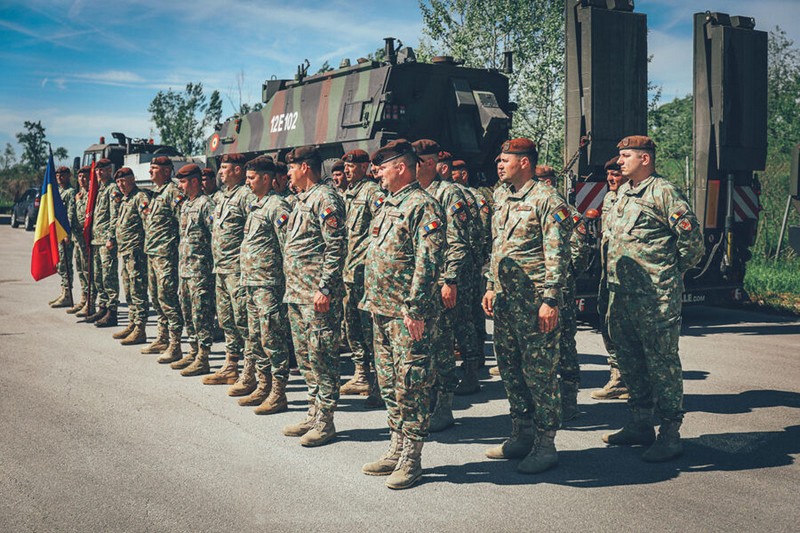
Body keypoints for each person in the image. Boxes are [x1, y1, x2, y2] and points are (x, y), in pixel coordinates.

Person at [602, 135, 704, 462]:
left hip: (655, 297)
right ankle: (640, 423)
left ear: (645, 159)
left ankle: (670, 434)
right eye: (619, 156)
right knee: (631, 360)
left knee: (662, 363)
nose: (620, 161)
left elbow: (692, 241)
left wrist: (673, 273)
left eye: (626, 155)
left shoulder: (663, 192)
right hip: (622, 295)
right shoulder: (623, 195)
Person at [482, 138, 572, 474]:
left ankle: (546, 444)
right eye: (499, 159)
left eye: (505, 160)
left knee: (540, 373)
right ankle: (521, 434)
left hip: (535, 303)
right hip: (506, 301)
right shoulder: (502, 196)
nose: (499, 164)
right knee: (510, 369)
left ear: (524, 162)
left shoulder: (547, 199)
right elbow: (498, 245)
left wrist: (551, 298)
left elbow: (557, 253)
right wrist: (491, 284)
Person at [359, 139, 444, 490]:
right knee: (390, 382)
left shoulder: (423, 205)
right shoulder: (387, 203)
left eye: (384, 165)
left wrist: (416, 307)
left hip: (407, 313)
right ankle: (396, 447)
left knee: (413, 383)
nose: (377, 172)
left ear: (403, 167)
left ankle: (412, 456)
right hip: (382, 309)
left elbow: (427, 261)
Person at [281, 145, 347, 447]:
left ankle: (326, 421)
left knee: (323, 357)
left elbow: (335, 247)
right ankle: (313, 411)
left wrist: (326, 288)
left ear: (305, 167)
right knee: (306, 358)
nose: (288, 173)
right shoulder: (301, 200)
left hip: (316, 295)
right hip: (296, 293)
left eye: (291, 167)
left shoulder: (325, 198)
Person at [412, 139, 473, 431]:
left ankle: (444, 406)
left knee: (442, 344)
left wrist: (450, 280)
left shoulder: (448, 194)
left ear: (427, 163)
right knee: (421, 345)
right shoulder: (413, 194)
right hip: (418, 284)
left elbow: (458, 242)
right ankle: (428, 400)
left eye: (417, 160)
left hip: (439, 283)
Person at [229, 156, 294, 414]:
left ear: (266, 178)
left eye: (252, 177)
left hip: (268, 284)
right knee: (256, 337)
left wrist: (286, 284)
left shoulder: (277, 206)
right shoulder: (256, 206)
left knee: (272, 337)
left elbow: (286, 248)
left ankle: (278, 392)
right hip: (252, 283)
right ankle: (263, 385)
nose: (247, 181)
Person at [534, 165, 590, 421]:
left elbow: (579, 250)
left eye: (544, 181)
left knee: (565, 344)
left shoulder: (567, 212)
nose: (540, 185)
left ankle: (569, 400)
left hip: (561, 289)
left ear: (552, 182)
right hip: (539, 289)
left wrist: (567, 276)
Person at [339, 149, 385, 406]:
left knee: (370, 330)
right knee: (352, 328)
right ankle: (361, 374)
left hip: (364, 272)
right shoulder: (347, 194)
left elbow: (379, 231)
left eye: (353, 165)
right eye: (346, 165)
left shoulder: (372, 193)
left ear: (365, 166)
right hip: (348, 272)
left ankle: (379, 383)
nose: (347, 169)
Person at [207, 153, 255, 385]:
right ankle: (230, 365)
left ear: (238, 170)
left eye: (225, 167)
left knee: (243, 321)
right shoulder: (222, 197)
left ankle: (250, 369)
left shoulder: (246, 196)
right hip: (221, 269)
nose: (221, 171)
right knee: (226, 319)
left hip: (238, 270)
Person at [592, 157, 630, 400]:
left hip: (631, 280)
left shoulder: (637, 198)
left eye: (615, 175)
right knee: (609, 327)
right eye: (609, 176)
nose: (611, 179)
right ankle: (619, 379)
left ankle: (637, 384)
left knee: (631, 333)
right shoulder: (609, 199)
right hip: (609, 276)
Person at [173, 164, 216, 377]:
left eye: (183, 181)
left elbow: (214, 237)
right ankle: (193, 350)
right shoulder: (185, 205)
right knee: (187, 312)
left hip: (200, 270)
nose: (180, 185)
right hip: (185, 269)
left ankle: (204, 356)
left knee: (201, 315)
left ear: (195, 181)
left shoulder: (206, 205)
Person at [141, 156, 184, 363]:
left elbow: (182, 224)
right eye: (150, 168)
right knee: (156, 298)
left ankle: (175, 345)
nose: (150, 172)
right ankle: (162, 337)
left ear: (167, 171)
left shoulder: (173, 193)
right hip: (152, 253)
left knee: (168, 298)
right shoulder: (157, 194)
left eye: (154, 168)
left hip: (166, 255)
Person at [110, 167, 150, 345]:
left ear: (132, 179)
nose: (121, 185)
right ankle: (132, 323)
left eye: (124, 181)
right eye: (118, 182)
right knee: (129, 290)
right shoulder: (125, 199)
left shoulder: (139, 198)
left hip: (136, 252)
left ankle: (140, 329)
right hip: (125, 252)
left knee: (138, 289)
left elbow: (147, 223)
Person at [85, 158, 120, 327]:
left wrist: (111, 237)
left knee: (109, 277)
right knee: (98, 276)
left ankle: (112, 312)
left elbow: (115, 216)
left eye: (102, 170)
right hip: (96, 240)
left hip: (106, 241)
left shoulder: (113, 189)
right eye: (97, 170)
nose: (99, 173)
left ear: (109, 170)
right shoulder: (99, 190)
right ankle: (102, 307)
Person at [50, 166, 76, 309]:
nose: (60, 177)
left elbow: (70, 213)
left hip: (64, 233)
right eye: (58, 175)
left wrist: (67, 233)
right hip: (57, 232)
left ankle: (67, 294)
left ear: (68, 176)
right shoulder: (57, 191)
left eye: (63, 175)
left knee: (65, 264)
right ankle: (63, 291)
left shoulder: (70, 192)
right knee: (60, 264)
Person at [67, 166, 91, 315]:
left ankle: (89, 301)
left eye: (85, 177)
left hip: (86, 239)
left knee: (88, 271)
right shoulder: (78, 195)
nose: (82, 180)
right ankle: (83, 299)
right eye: (80, 177)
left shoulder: (92, 195)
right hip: (77, 239)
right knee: (80, 270)